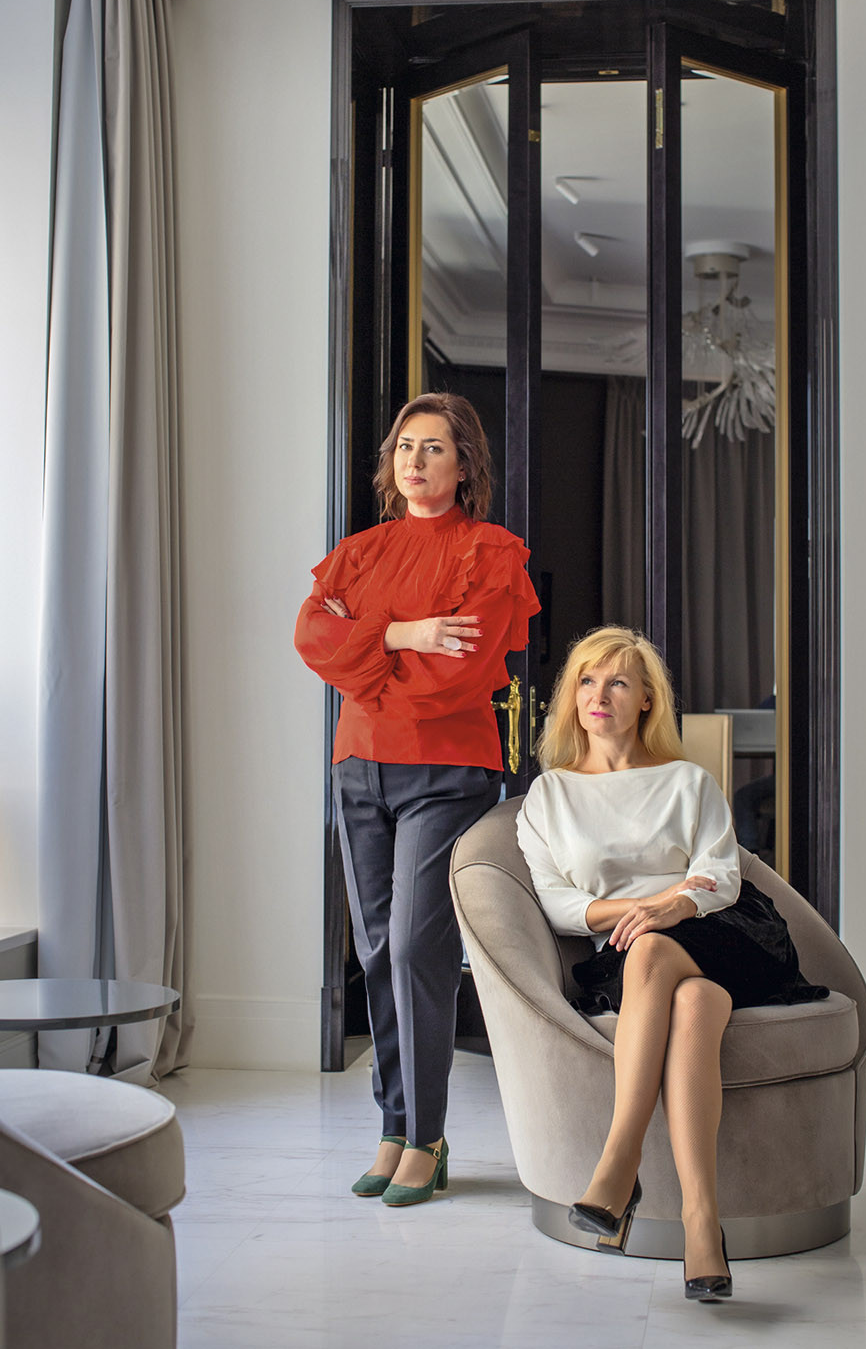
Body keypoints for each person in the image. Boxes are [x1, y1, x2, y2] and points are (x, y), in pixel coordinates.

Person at [516, 626, 826, 1300]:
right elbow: (560, 904)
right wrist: (640, 912)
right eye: (587, 681)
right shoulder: (550, 796)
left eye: (618, 682)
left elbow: (721, 875)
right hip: (631, 956)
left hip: (726, 932)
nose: (599, 695)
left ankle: (618, 1163)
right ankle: (701, 1223)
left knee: (654, 948)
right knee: (692, 1002)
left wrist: (669, 908)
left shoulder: (688, 781)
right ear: (572, 696)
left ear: (647, 700)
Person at [295, 392, 539, 1207]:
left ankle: (427, 1136)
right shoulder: (358, 553)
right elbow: (309, 637)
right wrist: (404, 634)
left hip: (446, 771)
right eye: (405, 446)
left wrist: (363, 651)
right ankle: (394, 1129)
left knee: (413, 949)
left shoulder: (492, 554)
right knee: (372, 951)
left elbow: (455, 679)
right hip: (358, 767)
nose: (415, 460)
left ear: (464, 465)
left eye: (434, 447)